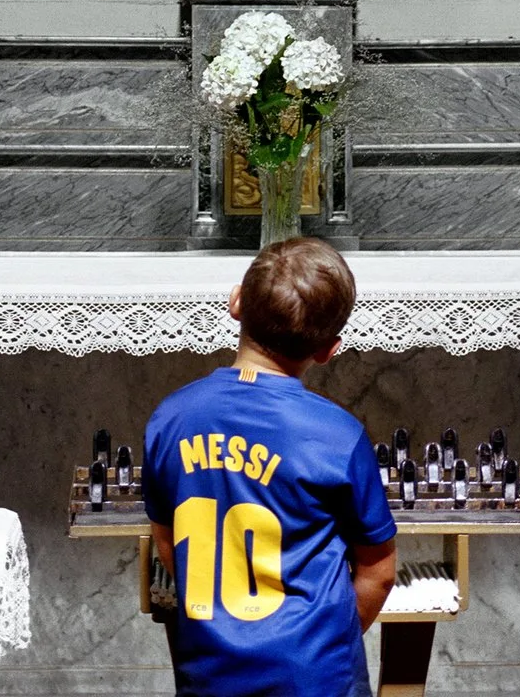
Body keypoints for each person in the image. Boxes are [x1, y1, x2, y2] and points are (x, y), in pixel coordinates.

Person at [144, 238, 397, 697]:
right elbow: (378, 571)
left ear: (236, 302)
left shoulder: (171, 418)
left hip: (210, 672)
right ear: (328, 349)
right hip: (314, 675)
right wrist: (322, 645)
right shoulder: (337, 435)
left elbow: (169, 545)